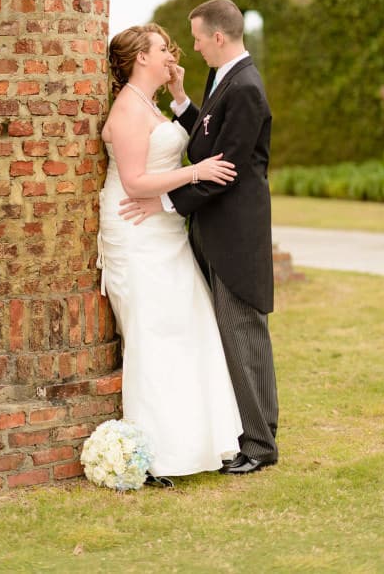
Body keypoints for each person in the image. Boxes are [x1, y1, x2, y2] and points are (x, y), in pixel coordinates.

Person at [120, 0, 279, 475]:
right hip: (212, 228)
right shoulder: (222, 78)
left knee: (241, 333)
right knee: (236, 333)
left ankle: (259, 445)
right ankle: (257, 431)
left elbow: (221, 171)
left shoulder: (246, 86)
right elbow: (206, 144)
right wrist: (185, 101)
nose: (188, 47)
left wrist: (164, 203)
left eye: (194, 38)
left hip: (236, 233)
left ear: (217, 37)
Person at [98, 24, 243, 484]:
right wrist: (194, 172)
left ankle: (199, 439)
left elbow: (186, 138)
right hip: (135, 230)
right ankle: (156, 452)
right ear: (141, 57)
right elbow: (136, 183)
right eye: (163, 50)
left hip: (164, 229)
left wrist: (180, 95)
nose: (172, 55)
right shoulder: (126, 111)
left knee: (188, 323)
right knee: (152, 334)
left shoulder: (150, 105)